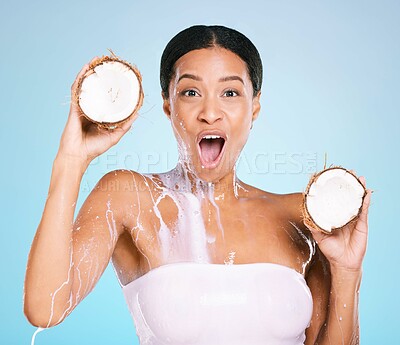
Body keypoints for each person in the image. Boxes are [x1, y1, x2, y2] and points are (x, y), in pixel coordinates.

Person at [24, 25, 372, 345]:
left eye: (230, 93)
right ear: (168, 106)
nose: (210, 112)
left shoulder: (302, 217)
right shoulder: (128, 197)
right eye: (190, 92)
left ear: (255, 108)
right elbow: (45, 309)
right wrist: (71, 160)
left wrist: (346, 270)